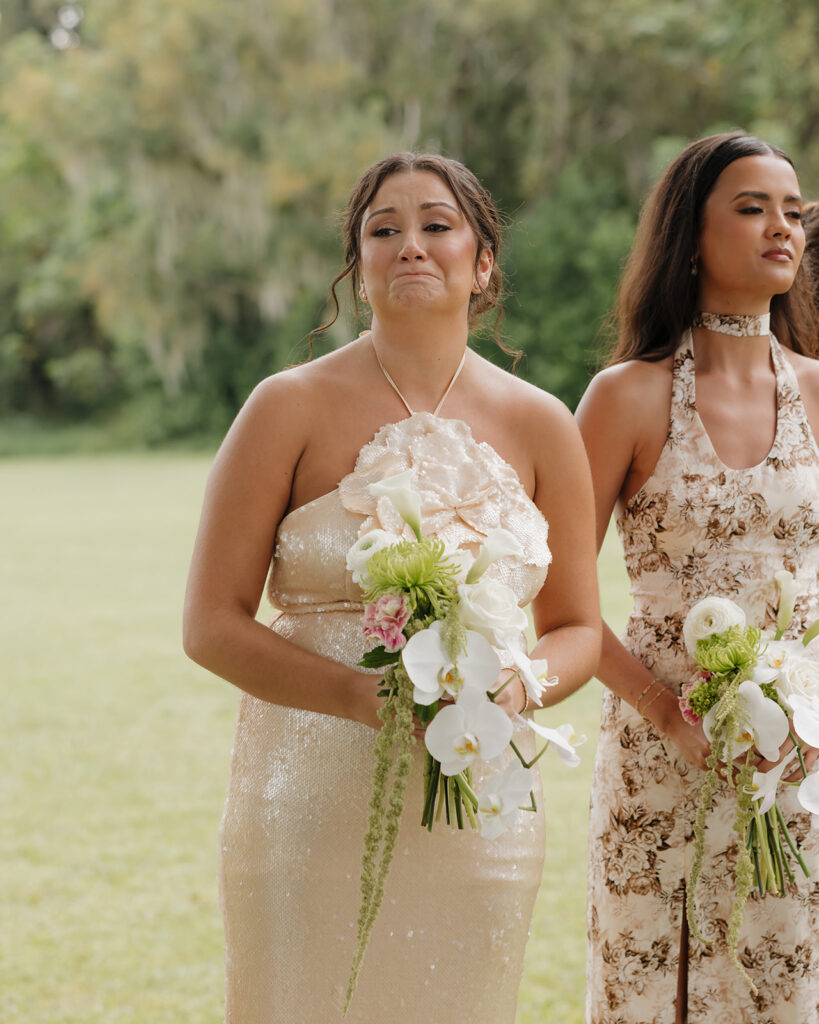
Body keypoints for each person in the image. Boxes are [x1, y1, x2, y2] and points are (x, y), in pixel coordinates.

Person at [183, 152, 601, 1023]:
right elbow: (210, 624)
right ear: (359, 269)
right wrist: (360, 696)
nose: (411, 244)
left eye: (437, 225)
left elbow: (577, 629)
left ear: (482, 263)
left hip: (479, 809)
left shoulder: (541, 423)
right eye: (384, 229)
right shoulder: (283, 407)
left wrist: (519, 684)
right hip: (305, 801)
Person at [577, 131, 819, 1024]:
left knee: (783, 987)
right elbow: (557, 594)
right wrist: (661, 715)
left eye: (792, 212)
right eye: (751, 208)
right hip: (659, 758)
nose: (779, 229)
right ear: (689, 236)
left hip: (796, 761)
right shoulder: (624, 397)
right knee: (658, 990)